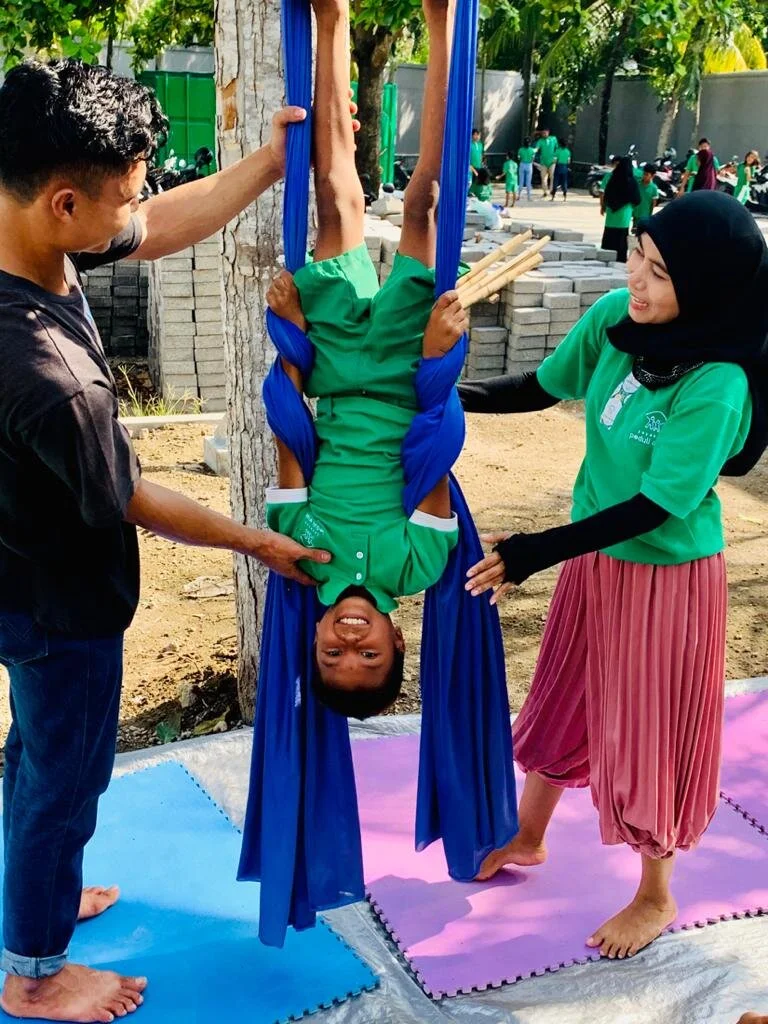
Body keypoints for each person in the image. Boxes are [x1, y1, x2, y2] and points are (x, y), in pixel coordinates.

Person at [0, 59, 351, 1023]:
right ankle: (35, 972)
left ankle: (39, 889)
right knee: (67, 775)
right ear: (65, 202)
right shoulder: (49, 375)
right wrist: (258, 542)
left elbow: (154, 224)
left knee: (38, 758)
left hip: (18, 564)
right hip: (58, 604)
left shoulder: (31, 229)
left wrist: (269, 165)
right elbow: (133, 496)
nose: (140, 199)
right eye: (125, 189)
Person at [458, 190, 767, 962]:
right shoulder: (615, 324)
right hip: (597, 558)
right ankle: (529, 835)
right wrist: (440, 399)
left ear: (706, 289)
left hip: (667, 577)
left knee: (647, 729)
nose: (636, 278)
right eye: (638, 254)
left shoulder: (718, 383)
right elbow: (540, 388)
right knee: (565, 695)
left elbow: (657, 507)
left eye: (660, 273)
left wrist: (535, 550)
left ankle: (656, 893)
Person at [265, 0, 466, 719]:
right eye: (370, 656)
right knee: (425, 205)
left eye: (332, 655)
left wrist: (291, 336)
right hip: (411, 373)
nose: (350, 642)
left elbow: (292, 437)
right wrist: (438, 354)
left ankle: (332, 19)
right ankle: (443, 25)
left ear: (314, 638)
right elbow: (434, 448)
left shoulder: (298, 552)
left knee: (332, 200)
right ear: (398, 639)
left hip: (334, 368)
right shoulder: (420, 565)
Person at [600, 155, 641, 262]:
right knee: (621, 238)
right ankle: (619, 259)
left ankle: (605, 258)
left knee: (609, 235)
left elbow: (606, 195)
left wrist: (604, 206)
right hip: (624, 213)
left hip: (611, 214)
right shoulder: (631, 181)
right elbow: (637, 199)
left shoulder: (612, 179)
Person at [632, 163, 659, 230]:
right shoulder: (637, 184)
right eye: (644, 174)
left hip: (645, 216)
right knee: (635, 231)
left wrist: (650, 214)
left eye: (647, 174)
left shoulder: (653, 188)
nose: (644, 176)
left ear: (652, 176)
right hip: (635, 214)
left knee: (641, 232)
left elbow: (654, 203)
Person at [534, 128, 558, 198]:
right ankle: (545, 192)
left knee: (552, 177)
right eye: (543, 133)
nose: (544, 134)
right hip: (543, 162)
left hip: (552, 162)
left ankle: (552, 191)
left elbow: (557, 148)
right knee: (543, 178)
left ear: (548, 132)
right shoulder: (540, 141)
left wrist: (556, 157)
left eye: (545, 133)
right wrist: (531, 151)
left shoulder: (553, 139)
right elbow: (537, 149)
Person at [517, 137, 536, 202]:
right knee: (528, 182)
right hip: (529, 165)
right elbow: (533, 159)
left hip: (522, 164)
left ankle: (519, 196)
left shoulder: (520, 150)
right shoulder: (532, 150)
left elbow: (519, 158)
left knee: (521, 181)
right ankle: (529, 197)